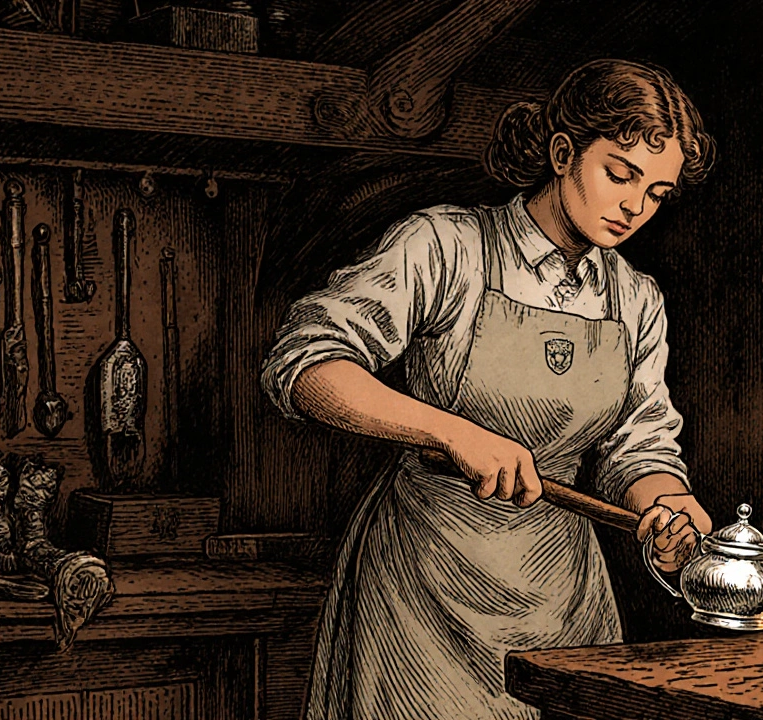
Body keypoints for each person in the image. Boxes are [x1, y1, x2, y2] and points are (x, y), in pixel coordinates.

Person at [259, 58, 717, 720]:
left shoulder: (637, 298)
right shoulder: (447, 245)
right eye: (620, 174)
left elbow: (638, 448)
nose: (634, 208)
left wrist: (668, 507)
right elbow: (304, 366)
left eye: (657, 194)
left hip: (564, 597)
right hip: (424, 592)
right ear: (563, 152)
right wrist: (450, 431)